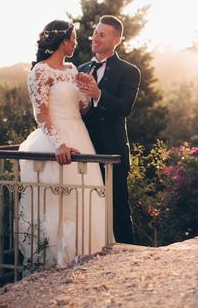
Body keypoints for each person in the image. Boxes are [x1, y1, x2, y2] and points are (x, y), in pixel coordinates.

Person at [17, 20, 107, 269]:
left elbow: (81, 108)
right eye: (73, 37)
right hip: (55, 140)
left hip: (80, 135)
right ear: (62, 41)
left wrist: (87, 91)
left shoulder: (71, 69)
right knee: (58, 201)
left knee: (84, 196)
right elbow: (41, 114)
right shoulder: (40, 71)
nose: (76, 42)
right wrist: (58, 144)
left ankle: (87, 255)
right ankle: (55, 261)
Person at [76, 15, 140, 244]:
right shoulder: (80, 69)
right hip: (84, 152)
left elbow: (124, 108)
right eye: (95, 32)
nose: (95, 37)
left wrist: (97, 94)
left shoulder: (129, 71)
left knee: (118, 209)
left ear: (117, 40)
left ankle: (128, 255)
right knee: (87, 206)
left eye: (102, 34)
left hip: (112, 153)